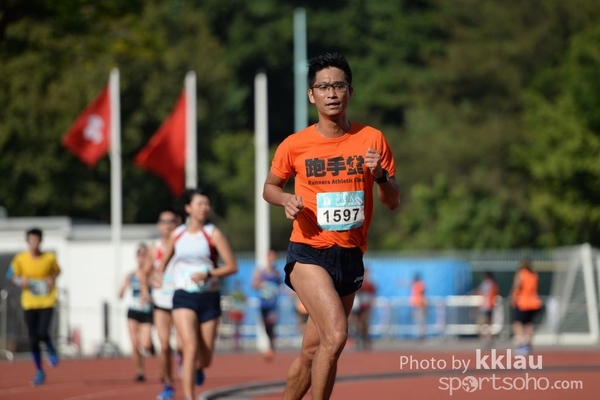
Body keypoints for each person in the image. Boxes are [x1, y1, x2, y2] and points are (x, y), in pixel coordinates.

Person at [262, 52, 400, 400]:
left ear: (350, 91)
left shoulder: (372, 139)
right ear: (312, 95)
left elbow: (392, 200)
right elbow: (270, 187)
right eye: (323, 87)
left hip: (350, 255)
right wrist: (286, 199)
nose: (332, 93)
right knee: (336, 335)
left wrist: (380, 176)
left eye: (339, 86)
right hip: (308, 251)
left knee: (313, 351)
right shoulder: (295, 145)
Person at [154, 187, 238, 400]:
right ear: (188, 208)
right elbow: (163, 262)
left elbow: (232, 266)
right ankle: (189, 396)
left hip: (209, 297)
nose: (204, 208)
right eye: (200, 204)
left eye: (207, 204)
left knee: (205, 358)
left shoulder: (212, 233)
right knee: (189, 347)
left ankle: (199, 368)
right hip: (183, 296)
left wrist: (208, 273)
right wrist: (158, 275)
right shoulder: (177, 234)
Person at [7, 228, 61, 386]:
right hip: (29, 303)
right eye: (31, 241)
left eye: (36, 241)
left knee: (43, 332)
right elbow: (10, 275)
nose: (34, 244)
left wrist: (52, 278)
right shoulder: (20, 259)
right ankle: (39, 371)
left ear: (41, 241)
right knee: (33, 339)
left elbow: (57, 271)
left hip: (46, 302)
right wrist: (20, 281)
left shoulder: (49, 258)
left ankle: (50, 348)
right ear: (27, 242)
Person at [143, 209, 182, 400]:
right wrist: (146, 287)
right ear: (159, 225)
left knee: (182, 345)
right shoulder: (155, 247)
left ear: (177, 224)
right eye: (164, 221)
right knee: (164, 346)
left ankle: (184, 361)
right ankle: (167, 384)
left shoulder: (182, 243)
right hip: (161, 302)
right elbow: (145, 273)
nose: (168, 225)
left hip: (181, 300)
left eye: (171, 221)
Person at [118, 243, 154, 382]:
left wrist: (150, 297)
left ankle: (151, 346)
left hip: (146, 312)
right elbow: (121, 292)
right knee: (134, 345)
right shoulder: (131, 275)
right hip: (133, 311)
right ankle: (140, 371)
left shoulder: (151, 275)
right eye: (139, 254)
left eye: (144, 254)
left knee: (145, 344)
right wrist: (122, 290)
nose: (141, 258)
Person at [251, 249, 282, 361]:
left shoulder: (277, 273)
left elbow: (281, 286)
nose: (272, 259)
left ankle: (271, 348)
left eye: (274, 257)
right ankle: (271, 346)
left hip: (273, 304)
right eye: (270, 257)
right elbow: (253, 285)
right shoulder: (260, 272)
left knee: (271, 325)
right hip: (263, 304)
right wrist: (261, 284)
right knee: (266, 327)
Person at [510, 259, 542, 355]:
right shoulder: (534, 275)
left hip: (523, 303)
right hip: (534, 303)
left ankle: (521, 344)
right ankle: (529, 344)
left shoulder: (521, 274)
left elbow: (517, 286)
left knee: (517, 324)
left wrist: (513, 297)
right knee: (529, 324)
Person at [352, 268, 377, 350]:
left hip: (366, 306)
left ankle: (365, 340)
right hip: (357, 306)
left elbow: (372, 292)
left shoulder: (369, 285)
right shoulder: (356, 282)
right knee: (357, 324)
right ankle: (358, 340)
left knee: (364, 323)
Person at [475, 271, 499, 347]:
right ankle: (489, 338)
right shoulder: (493, 284)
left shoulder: (486, 283)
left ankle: (486, 339)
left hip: (485, 306)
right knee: (488, 324)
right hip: (490, 306)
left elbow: (481, 293)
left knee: (481, 324)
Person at [227, 279, 247, 352]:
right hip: (234, 312)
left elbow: (245, 301)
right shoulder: (233, 293)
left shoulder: (242, 293)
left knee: (239, 329)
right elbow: (230, 302)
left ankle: (239, 344)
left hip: (240, 312)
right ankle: (234, 344)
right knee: (235, 329)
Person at [410, 274, 427, 340]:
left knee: (421, 320)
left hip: (420, 305)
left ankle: (422, 334)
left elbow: (423, 294)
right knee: (419, 320)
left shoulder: (419, 285)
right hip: (418, 305)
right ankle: (421, 334)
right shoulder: (416, 285)